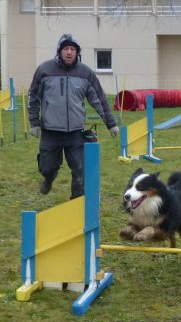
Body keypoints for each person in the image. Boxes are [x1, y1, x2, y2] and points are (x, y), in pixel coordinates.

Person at [28, 33, 119, 199]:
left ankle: (76, 206)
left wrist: (111, 123)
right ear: (59, 51)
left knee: (80, 171)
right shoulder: (44, 70)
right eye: (65, 49)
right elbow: (33, 96)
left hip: (76, 133)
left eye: (72, 49)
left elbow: (99, 99)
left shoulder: (85, 73)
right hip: (50, 132)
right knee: (47, 167)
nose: (69, 52)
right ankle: (48, 178)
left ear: (77, 52)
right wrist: (34, 122)